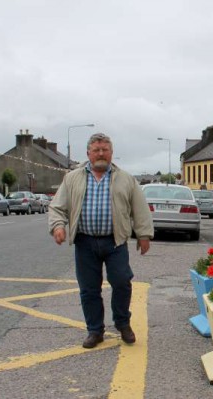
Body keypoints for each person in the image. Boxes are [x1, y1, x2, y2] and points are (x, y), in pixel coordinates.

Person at [48, 133, 154, 348]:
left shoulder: (126, 179)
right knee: (89, 289)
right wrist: (58, 226)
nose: (100, 153)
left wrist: (143, 234)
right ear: (88, 153)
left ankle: (123, 324)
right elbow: (57, 207)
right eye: (96, 150)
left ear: (111, 153)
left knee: (122, 283)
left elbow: (140, 209)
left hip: (115, 242)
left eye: (105, 149)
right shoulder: (72, 178)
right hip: (85, 242)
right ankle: (95, 330)